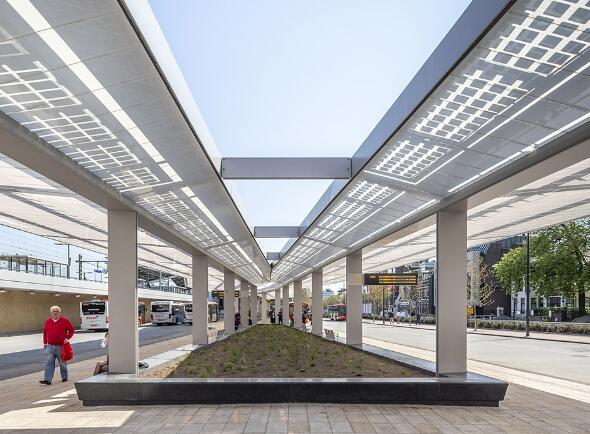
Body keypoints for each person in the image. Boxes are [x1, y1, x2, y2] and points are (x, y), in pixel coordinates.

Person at [40, 306, 74, 385]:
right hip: (50, 346)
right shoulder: (48, 321)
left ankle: (64, 377)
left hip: (61, 346)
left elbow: (71, 330)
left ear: (59, 312)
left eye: (57, 311)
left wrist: (67, 338)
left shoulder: (65, 321)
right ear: (51, 313)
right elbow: (45, 332)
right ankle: (47, 380)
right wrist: (45, 343)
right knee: (49, 362)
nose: (55, 313)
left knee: (62, 363)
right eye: (53, 311)